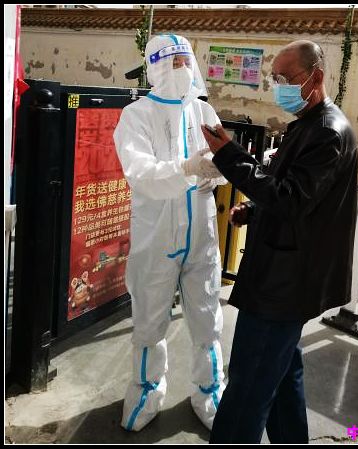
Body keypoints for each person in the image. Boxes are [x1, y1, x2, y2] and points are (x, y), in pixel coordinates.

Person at [201, 40, 358, 443]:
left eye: (286, 79)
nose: (279, 87)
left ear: (316, 77)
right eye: (274, 79)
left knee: (249, 385)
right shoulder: (308, 125)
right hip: (284, 274)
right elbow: (297, 193)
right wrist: (253, 211)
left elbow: (291, 199)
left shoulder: (328, 133)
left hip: (284, 284)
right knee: (283, 373)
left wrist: (231, 156)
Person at [113, 34, 227, 432]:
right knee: (149, 318)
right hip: (157, 235)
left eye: (185, 61)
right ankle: (146, 391)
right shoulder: (137, 115)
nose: (181, 69)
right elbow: (140, 173)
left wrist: (217, 171)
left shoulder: (203, 110)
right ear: (154, 68)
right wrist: (187, 169)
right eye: (172, 62)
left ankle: (210, 391)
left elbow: (223, 160)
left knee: (207, 315)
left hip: (202, 235)